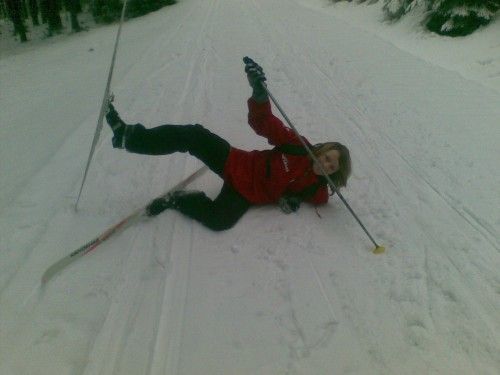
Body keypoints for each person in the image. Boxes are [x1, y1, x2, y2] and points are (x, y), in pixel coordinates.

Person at [105, 57, 351, 231]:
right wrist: (259, 94)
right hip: (235, 163)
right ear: (321, 150)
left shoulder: (317, 191)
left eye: (332, 167)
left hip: (245, 194)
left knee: (218, 221)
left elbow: (319, 199)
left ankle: (177, 199)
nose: (327, 164)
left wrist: (292, 199)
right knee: (193, 135)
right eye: (328, 157)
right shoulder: (299, 146)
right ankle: (128, 135)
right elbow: (263, 122)